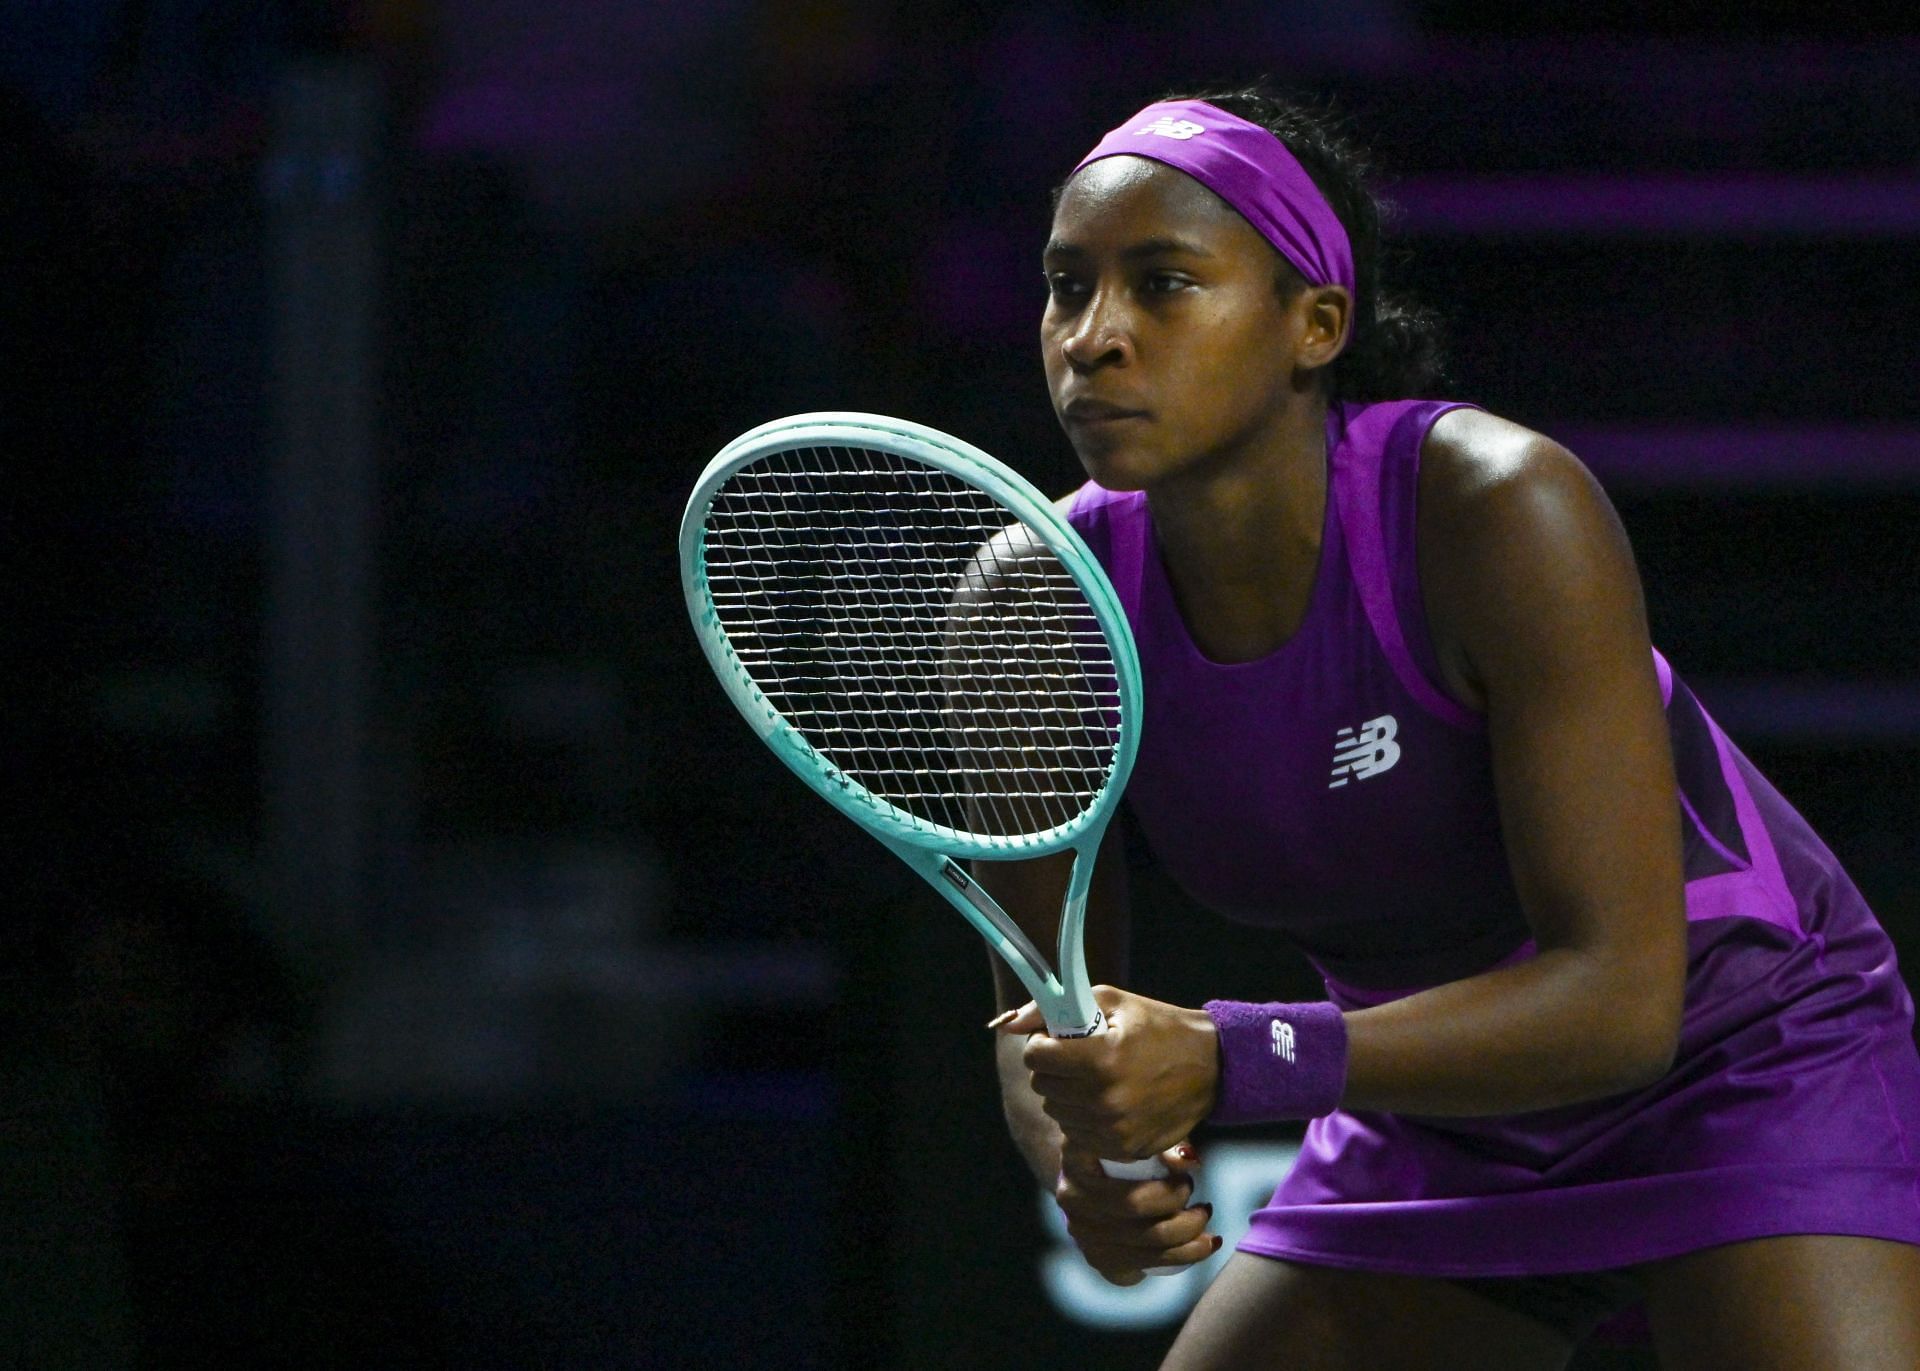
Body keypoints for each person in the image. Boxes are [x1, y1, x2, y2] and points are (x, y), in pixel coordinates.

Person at [982, 86, 1920, 1369]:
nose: (1092, 339)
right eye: (1065, 286)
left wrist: (1230, 1058)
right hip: (1436, 1103)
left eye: (1163, 284)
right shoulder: (1034, 603)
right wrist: (1084, 1157)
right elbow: (1039, 1020)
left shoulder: (1494, 506)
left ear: (1315, 324)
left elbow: (1622, 1001)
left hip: (1742, 1064)